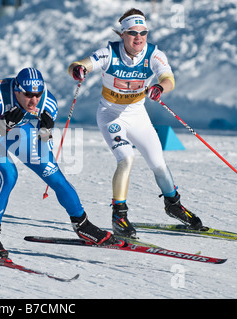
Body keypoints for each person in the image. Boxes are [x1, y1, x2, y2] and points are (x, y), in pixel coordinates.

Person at [67, 8, 202, 238]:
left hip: (137, 115)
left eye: (143, 33)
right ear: (122, 34)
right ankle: (119, 215)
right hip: (111, 115)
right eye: (132, 33)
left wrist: (160, 87)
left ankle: (173, 205)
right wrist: (78, 69)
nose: (138, 38)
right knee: (126, 158)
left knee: (158, 163)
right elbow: (80, 64)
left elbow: (168, 79)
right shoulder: (109, 53)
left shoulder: (154, 54)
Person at [0, 67, 116, 259]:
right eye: (28, 95)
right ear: (16, 90)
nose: (33, 100)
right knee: (8, 176)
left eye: (37, 95)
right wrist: (4, 125)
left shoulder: (48, 102)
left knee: (53, 173)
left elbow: (44, 141)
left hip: (19, 128)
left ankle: (83, 225)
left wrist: (45, 131)